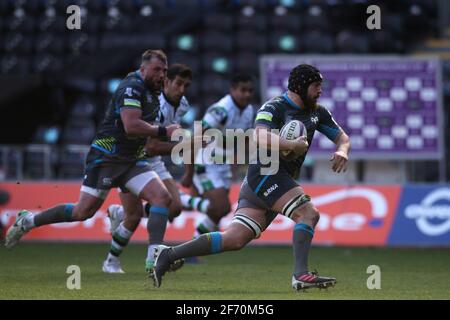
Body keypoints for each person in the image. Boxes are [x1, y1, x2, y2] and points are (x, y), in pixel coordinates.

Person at [151, 64, 351, 291]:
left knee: (234, 239)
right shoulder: (274, 107)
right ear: (301, 86)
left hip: (266, 181)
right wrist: (291, 145)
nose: (320, 91)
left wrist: (342, 150)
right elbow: (260, 136)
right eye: (316, 86)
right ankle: (301, 275)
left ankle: (169, 254)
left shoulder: (318, 112)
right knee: (308, 214)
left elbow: (342, 137)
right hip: (267, 174)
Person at [5, 50, 181, 258]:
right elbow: (131, 126)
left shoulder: (156, 91)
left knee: (162, 198)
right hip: (106, 157)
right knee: (83, 212)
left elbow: (149, 132)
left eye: (165, 70)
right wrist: (164, 132)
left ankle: (155, 258)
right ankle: (28, 220)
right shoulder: (131, 88)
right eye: (157, 70)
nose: (162, 75)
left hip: (132, 159)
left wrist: (186, 138)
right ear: (143, 69)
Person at [103, 63, 193, 273]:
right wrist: (184, 146)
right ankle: (111, 261)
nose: (182, 90)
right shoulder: (155, 104)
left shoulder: (183, 104)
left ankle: (119, 213)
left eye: (186, 85)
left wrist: (188, 170)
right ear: (166, 82)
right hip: (131, 161)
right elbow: (151, 147)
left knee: (175, 207)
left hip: (154, 163)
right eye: (178, 83)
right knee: (133, 217)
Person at [179, 73, 255, 239]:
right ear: (232, 89)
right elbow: (195, 138)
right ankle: (193, 246)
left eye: (250, 91)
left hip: (224, 165)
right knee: (221, 207)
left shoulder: (249, 110)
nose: (247, 94)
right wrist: (189, 172)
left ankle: (178, 202)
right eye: (243, 90)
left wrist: (237, 164)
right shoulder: (220, 111)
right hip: (205, 164)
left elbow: (244, 140)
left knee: (210, 210)